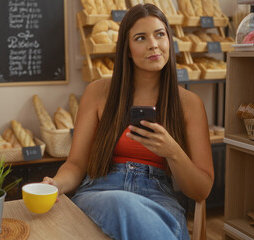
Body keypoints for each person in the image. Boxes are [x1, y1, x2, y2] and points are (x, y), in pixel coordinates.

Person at [43, 3, 214, 240]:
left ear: (169, 40)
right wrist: (56, 184)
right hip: (100, 193)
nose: (153, 44)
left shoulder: (190, 103)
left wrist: (173, 152)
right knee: (122, 204)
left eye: (160, 34)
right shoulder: (97, 92)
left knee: (133, 213)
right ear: (127, 49)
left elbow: (201, 190)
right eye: (141, 38)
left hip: (158, 200)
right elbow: (76, 164)